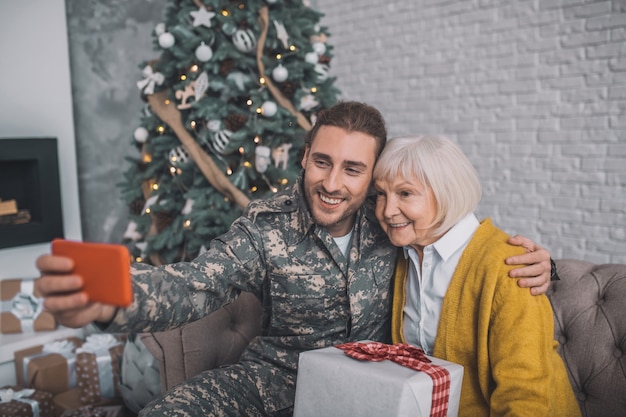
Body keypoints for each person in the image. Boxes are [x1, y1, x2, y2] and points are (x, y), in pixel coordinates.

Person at [36, 102, 553, 417]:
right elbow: (196, 285)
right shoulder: (266, 226)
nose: (332, 183)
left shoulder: (392, 221)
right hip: (275, 377)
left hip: (371, 391)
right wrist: (112, 297)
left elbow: (460, 234)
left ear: (371, 176)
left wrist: (537, 263)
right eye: (322, 162)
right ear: (303, 157)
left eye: (353, 170)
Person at [373, 134, 580, 417]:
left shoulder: (509, 267)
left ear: (446, 193)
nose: (387, 210)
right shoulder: (406, 253)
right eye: (380, 194)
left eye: (405, 193)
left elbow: (525, 399)